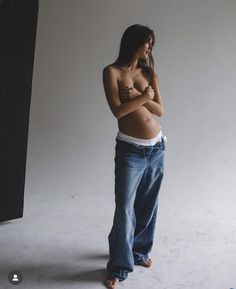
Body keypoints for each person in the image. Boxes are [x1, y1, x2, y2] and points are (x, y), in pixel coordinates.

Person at [102, 24, 166, 289]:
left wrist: (141, 96)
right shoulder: (112, 72)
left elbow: (159, 109)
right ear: (134, 43)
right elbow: (118, 111)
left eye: (151, 43)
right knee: (125, 210)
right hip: (131, 150)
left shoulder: (149, 73)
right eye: (147, 43)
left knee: (147, 205)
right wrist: (143, 98)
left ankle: (138, 252)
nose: (149, 48)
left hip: (157, 147)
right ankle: (119, 266)